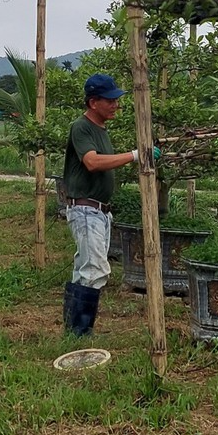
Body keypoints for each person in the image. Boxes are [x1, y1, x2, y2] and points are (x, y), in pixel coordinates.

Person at [60, 73, 156, 336]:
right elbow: (92, 162)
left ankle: (74, 330)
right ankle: (80, 331)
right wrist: (134, 156)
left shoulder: (102, 130)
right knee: (95, 268)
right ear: (93, 102)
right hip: (86, 209)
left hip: (99, 211)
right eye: (110, 100)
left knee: (85, 269)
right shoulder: (81, 127)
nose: (116, 105)